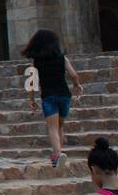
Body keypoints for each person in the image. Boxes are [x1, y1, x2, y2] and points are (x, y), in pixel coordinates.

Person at [22, 29, 83, 168]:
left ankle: (57, 153)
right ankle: (59, 153)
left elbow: (32, 83)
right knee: (60, 126)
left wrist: (31, 100)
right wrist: (77, 85)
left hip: (49, 97)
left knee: (52, 127)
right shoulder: (62, 58)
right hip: (64, 96)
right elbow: (73, 74)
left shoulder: (35, 62)